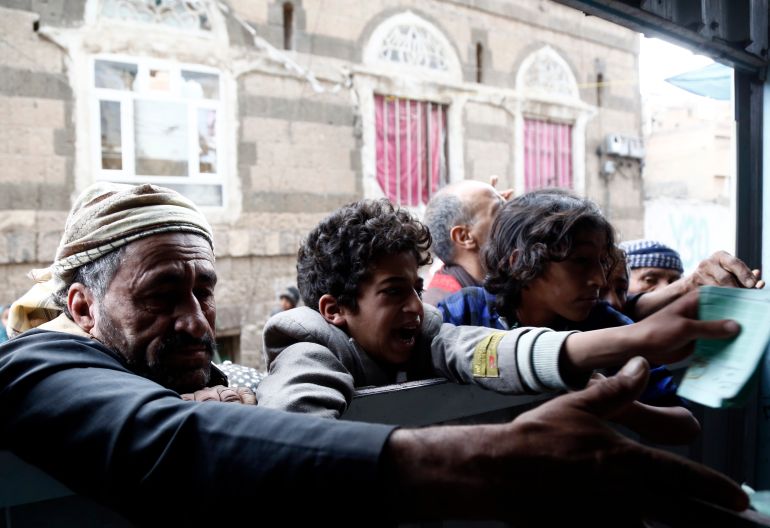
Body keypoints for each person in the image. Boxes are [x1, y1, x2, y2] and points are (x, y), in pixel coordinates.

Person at [0, 183, 749, 525]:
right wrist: (494, 462)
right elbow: (167, 443)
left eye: (204, 291)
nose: (196, 322)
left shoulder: (219, 374)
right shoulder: (34, 364)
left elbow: (480, 348)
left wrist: (632, 333)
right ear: (81, 306)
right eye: (163, 295)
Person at [257, 197, 733, 416]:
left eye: (417, 290)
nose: (416, 308)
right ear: (335, 310)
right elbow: (296, 449)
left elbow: (491, 351)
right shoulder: (306, 348)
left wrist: (635, 338)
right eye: (393, 292)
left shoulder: (431, 334)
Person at [438, 189, 630, 332]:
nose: (600, 280)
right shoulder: (464, 313)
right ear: (521, 263)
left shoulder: (603, 323)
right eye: (580, 261)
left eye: (603, 262)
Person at [422, 180, 505, 306]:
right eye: (499, 210)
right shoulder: (447, 309)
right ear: (464, 237)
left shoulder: (496, 283)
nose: (511, 216)